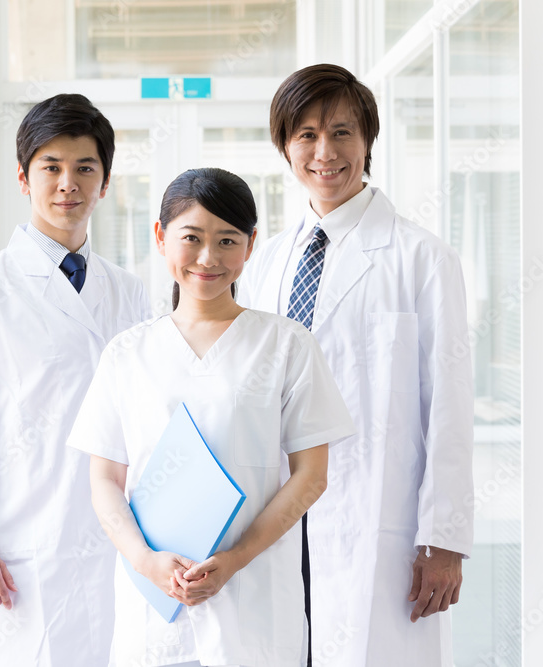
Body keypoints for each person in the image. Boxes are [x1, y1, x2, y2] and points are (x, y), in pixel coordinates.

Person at [68, 167, 355, 667]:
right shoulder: (127, 353)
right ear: (160, 237)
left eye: (227, 240)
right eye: (192, 238)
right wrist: (145, 562)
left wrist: (234, 560)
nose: (208, 258)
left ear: (250, 247)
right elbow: (105, 480)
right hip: (153, 599)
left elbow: (312, 476)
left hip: (255, 595)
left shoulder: (286, 344)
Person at [237, 64, 474, 667]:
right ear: (284, 146)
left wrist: (443, 539)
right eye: (306, 135)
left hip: (376, 519)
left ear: (368, 140)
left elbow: (448, 403)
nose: (325, 153)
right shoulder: (266, 263)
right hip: (278, 519)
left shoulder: (422, 258)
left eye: (342, 132)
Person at [0, 93, 152, 667]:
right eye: (51, 168)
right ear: (24, 179)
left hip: (114, 540)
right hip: (18, 541)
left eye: (85, 168)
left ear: (104, 182)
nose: (68, 184)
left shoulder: (128, 292)